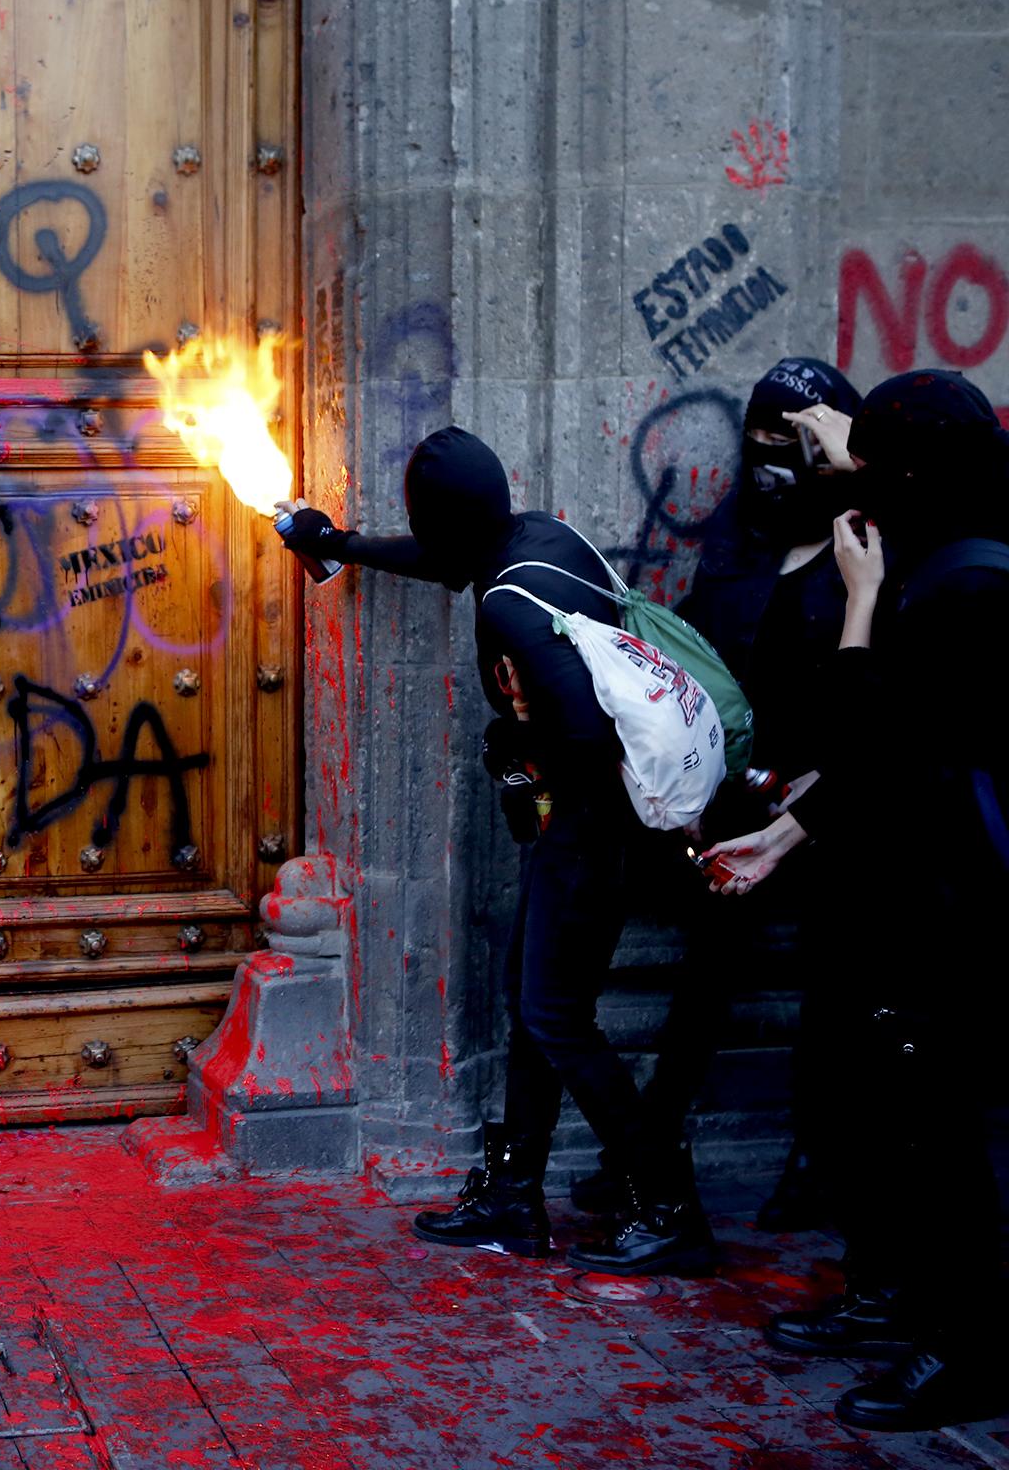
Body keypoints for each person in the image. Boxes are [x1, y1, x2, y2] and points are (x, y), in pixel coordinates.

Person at [277, 427, 714, 1276]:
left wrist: (518, 732)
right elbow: (450, 559)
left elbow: (585, 736)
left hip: (589, 831)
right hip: (598, 829)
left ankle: (666, 1205)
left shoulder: (506, 603)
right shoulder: (538, 538)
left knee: (556, 1017)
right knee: (534, 1006)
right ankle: (515, 1198)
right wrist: (340, 545)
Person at [702, 369, 1009, 1431]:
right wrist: (783, 839)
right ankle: (916, 1314)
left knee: (946, 1136)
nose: (853, 484)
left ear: (914, 470)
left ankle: (963, 1351)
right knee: (898, 1118)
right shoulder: (955, 537)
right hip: (911, 888)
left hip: (949, 907)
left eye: (874, 465)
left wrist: (861, 611)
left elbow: (872, 744)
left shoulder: (963, 585)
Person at [567, 359, 862, 1228]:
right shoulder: (739, 544)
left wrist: (821, 782)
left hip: (835, 801)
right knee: (705, 968)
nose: (775, 459)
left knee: (838, 971)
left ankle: (814, 1161)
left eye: (799, 440)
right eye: (763, 436)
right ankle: (651, 1149)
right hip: (737, 797)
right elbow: (701, 662)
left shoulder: (860, 547)